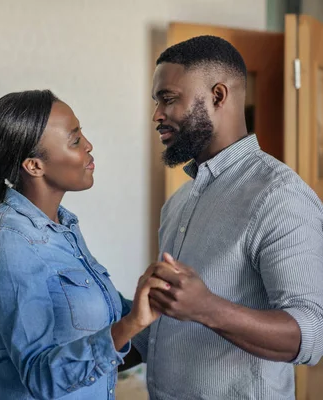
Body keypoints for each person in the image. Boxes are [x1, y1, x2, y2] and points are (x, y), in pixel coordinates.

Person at [133, 35, 323, 399]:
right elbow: (168, 321)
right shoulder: (179, 203)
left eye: (168, 98)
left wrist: (207, 308)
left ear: (218, 96)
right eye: (156, 101)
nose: (157, 114)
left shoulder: (278, 196)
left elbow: (311, 334)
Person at [0, 90, 172, 399]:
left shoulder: (63, 227)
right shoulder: (10, 245)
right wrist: (131, 324)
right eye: (75, 140)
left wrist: (176, 306)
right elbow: (41, 377)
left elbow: (105, 321)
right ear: (34, 166)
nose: (89, 145)